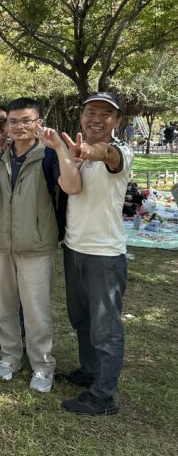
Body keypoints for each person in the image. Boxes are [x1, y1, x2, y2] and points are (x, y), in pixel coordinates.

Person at [0, 97, 81, 392]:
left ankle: (42, 365)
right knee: (5, 308)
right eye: (13, 122)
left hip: (37, 245)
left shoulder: (49, 155)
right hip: (3, 245)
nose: (19, 127)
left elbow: (71, 186)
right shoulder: (2, 156)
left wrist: (60, 149)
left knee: (35, 310)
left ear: (38, 122)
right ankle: (9, 356)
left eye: (26, 121)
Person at [59, 92, 133, 416]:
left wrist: (91, 151)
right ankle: (89, 371)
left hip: (104, 255)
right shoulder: (76, 154)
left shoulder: (120, 152)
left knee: (106, 328)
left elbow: (108, 154)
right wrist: (76, 155)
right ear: (81, 116)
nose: (97, 119)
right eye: (91, 112)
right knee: (82, 319)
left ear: (116, 120)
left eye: (106, 113)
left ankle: (104, 396)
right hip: (74, 248)